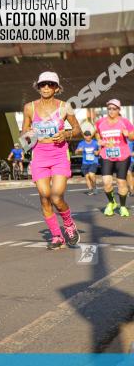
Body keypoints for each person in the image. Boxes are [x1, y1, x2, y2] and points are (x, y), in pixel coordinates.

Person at [21, 72, 82, 249]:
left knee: (56, 196)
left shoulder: (65, 107)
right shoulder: (29, 107)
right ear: (38, 87)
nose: (46, 87)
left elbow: (77, 129)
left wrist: (67, 134)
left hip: (59, 155)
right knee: (44, 197)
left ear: (56, 88)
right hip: (39, 155)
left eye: (50, 84)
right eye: (42, 85)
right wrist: (27, 134)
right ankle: (56, 236)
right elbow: (23, 132)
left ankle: (69, 224)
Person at [94, 99, 134, 217]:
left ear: (118, 110)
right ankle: (112, 203)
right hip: (106, 154)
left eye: (114, 109)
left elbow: (132, 136)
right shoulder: (100, 121)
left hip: (122, 156)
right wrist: (99, 140)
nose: (111, 111)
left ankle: (122, 206)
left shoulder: (124, 122)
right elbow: (97, 132)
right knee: (106, 182)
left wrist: (128, 135)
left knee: (121, 182)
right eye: (109, 109)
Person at [74, 130, 100, 196]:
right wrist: (78, 151)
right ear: (84, 136)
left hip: (94, 161)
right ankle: (90, 190)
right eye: (86, 135)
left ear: (90, 136)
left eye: (88, 135)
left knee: (91, 174)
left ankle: (95, 187)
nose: (87, 137)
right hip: (85, 163)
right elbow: (76, 152)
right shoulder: (81, 143)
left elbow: (101, 148)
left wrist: (98, 152)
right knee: (87, 177)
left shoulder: (95, 142)